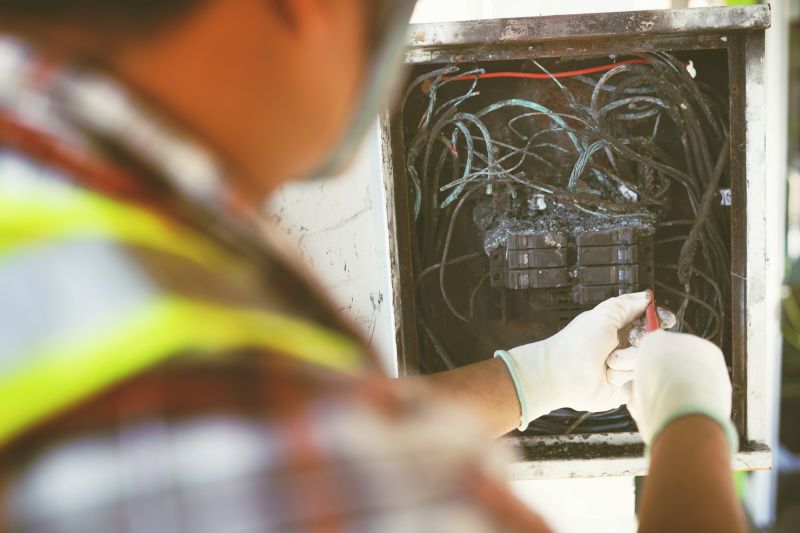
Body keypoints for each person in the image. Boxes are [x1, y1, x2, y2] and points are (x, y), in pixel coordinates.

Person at [0, 1, 746, 531]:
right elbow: (311, 449)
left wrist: (540, 376)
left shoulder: (49, 177)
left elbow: (329, 432)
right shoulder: (200, 375)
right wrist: (689, 425)